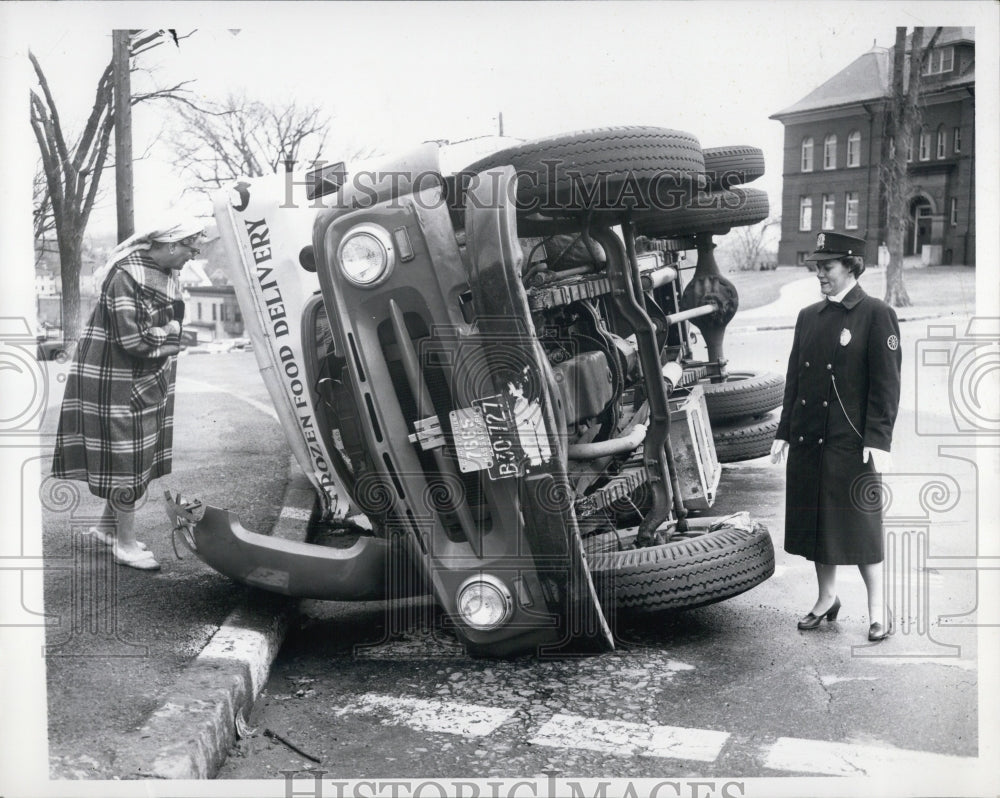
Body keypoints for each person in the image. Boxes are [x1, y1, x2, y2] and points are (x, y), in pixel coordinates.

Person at [770, 232, 902, 642]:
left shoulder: (876, 314)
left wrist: (878, 439)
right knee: (817, 526)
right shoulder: (808, 316)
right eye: (817, 268)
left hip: (852, 444)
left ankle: (878, 609)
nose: (820, 275)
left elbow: (887, 385)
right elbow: (795, 378)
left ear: (851, 267)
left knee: (860, 529)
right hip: (810, 442)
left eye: (826, 268)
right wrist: (785, 431)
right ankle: (827, 598)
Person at [52, 217, 205, 570]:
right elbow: (133, 338)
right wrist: (173, 331)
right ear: (170, 244)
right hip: (115, 379)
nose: (191, 258)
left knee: (133, 458)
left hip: (138, 377)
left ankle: (108, 529)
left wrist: (169, 331)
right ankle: (125, 544)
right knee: (125, 461)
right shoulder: (128, 275)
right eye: (190, 249)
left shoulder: (163, 271)